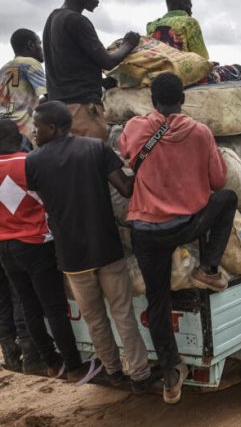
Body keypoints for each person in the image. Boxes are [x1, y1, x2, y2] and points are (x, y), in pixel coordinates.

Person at [119, 72, 237, 404]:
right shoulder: (200, 132)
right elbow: (219, 180)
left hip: (145, 231)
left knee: (158, 301)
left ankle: (171, 371)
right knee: (227, 200)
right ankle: (209, 268)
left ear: (153, 101)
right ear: (182, 99)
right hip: (186, 225)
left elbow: (125, 151)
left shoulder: (136, 128)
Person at [26, 101, 158, 393]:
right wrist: (149, 164)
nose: (33, 131)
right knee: (122, 313)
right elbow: (125, 188)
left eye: (37, 126)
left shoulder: (33, 162)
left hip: (72, 257)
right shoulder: (95, 149)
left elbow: (43, 199)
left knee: (95, 319)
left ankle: (113, 371)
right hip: (107, 248)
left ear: (53, 127)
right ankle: (140, 375)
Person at [0, 119, 103, 383]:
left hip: (6, 247)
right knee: (54, 309)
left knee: (29, 306)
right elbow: (52, 199)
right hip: (36, 244)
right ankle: (74, 367)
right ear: (17, 135)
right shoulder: (30, 162)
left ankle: (51, 362)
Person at [43, 0, 141, 140]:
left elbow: (74, 64)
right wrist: (128, 45)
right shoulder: (76, 20)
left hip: (59, 109)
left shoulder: (53, 18)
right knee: (90, 160)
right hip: (82, 109)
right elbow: (108, 62)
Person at [0, 29, 47, 145]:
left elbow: (12, 103)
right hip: (24, 130)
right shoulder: (30, 63)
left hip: (4, 129)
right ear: (30, 45)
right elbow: (50, 95)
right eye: (39, 43)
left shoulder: (4, 69)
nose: (42, 48)